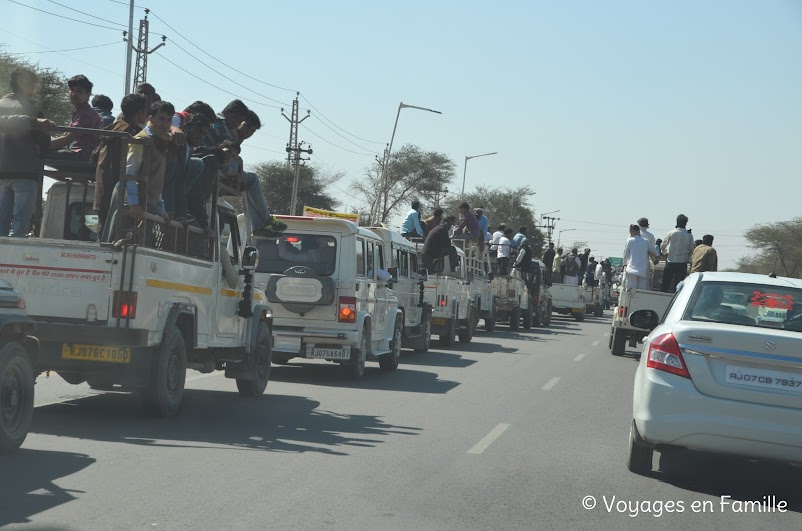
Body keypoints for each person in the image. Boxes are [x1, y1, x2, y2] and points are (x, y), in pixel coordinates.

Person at [102, 100, 175, 241]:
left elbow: (155, 179)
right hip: (128, 199)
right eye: (161, 118)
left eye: (168, 119)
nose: (165, 123)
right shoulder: (141, 139)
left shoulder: (161, 141)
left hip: (146, 203)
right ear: (151, 119)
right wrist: (133, 204)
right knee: (117, 248)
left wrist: (161, 209)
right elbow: (129, 172)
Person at [0, 67, 53, 237]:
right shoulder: (32, 111)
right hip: (25, 174)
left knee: (1, 225)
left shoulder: (1, 104)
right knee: (20, 224)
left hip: (2, 175)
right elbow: (44, 143)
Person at [94, 93, 148, 230]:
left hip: (102, 193)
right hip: (118, 195)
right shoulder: (132, 134)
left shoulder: (112, 128)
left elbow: (94, 156)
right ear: (140, 112)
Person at [48, 74, 103, 161]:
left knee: (41, 153)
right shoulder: (77, 111)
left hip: (85, 156)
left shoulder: (86, 113)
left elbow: (67, 139)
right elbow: (65, 135)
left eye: (79, 91)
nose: (74, 94)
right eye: (72, 90)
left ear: (88, 95)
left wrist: (42, 146)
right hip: (79, 153)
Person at [660, 214, 695, 292]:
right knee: (679, 286)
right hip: (682, 263)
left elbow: (663, 246)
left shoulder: (671, 233)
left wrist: (665, 253)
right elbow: (691, 249)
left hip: (670, 261)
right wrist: (687, 257)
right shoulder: (689, 235)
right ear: (685, 223)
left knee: (665, 283)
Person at [623, 224, 657, 290]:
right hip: (642, 270)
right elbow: (654, 252)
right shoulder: (646, 241)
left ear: (631, 231)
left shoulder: (630, 241)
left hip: (631, 270)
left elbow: (625, 255)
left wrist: (624, 265)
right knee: (642, 290)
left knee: (630, 290)